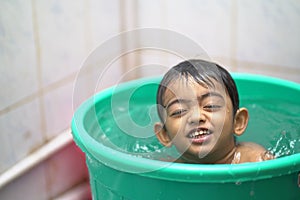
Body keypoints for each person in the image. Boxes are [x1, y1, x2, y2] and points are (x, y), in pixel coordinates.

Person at [154, 59, 274, 164]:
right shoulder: (163, 169)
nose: (196, 117)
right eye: (179, 111)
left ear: (238, 122)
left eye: (210, 105)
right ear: (165, 135)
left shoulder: (254, 160)